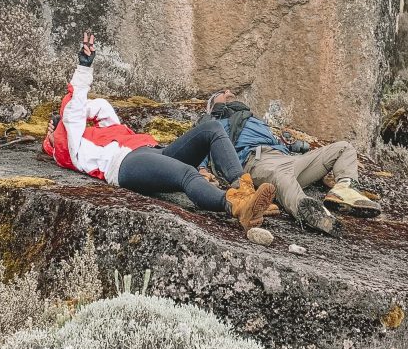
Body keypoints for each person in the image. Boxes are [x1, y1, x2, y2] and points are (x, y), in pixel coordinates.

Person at [44, 33, 277, 239]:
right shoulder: (71, 149)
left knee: (212, 130)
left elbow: (101, 107)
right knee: (188, 173)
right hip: (127, 165)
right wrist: (83, 69)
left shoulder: (95, 132)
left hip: (151, 152)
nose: (57, 125)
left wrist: (68, 118)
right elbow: (74, 110)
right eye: (55, 129)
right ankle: (237, 207)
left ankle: (245, 190)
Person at [206, 89, 382, 234]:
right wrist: (202, 170)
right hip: (258, 160)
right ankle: (307, 210)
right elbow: (203, 147)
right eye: (222, 92)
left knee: (343, 147)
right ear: (212, 106)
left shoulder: (253, 120)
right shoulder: (213, 123)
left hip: (287, 158)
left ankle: (344, 188)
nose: (228, 91)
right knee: (281, 176)